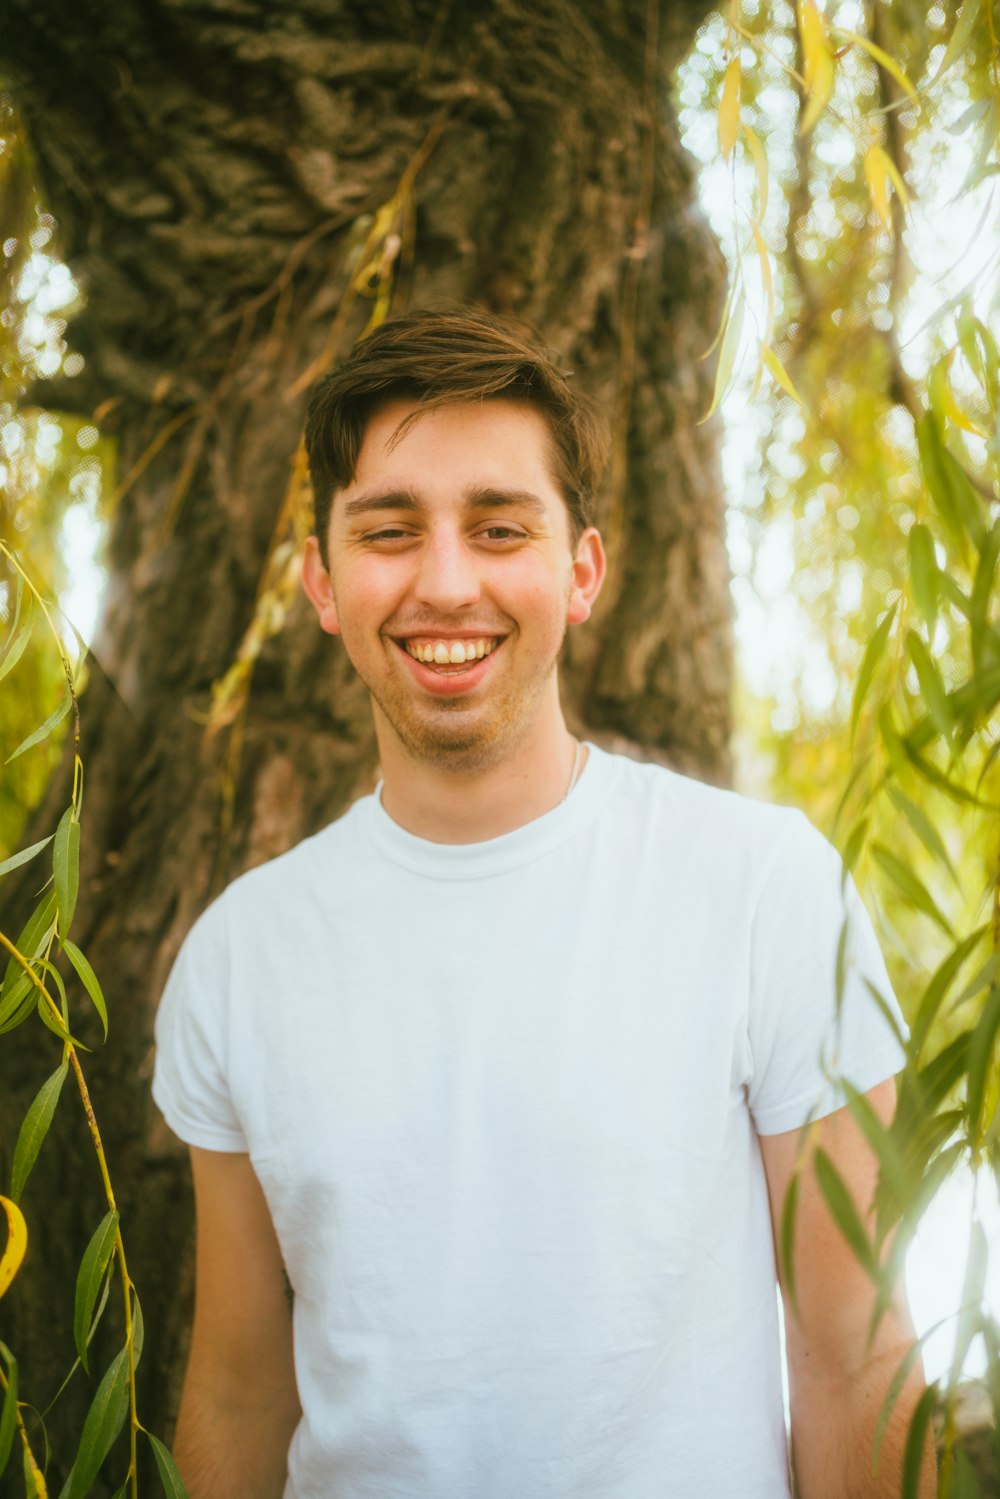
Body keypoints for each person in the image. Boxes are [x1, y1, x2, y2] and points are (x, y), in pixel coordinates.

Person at [152, 306, 934, 1499]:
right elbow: (241, 1389)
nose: (447, 581)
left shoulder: (766, 891)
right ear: (322, 579)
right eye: (390, 529)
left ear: (581, 572)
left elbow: (852, 1358)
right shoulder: (236, 958)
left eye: (499, 526)